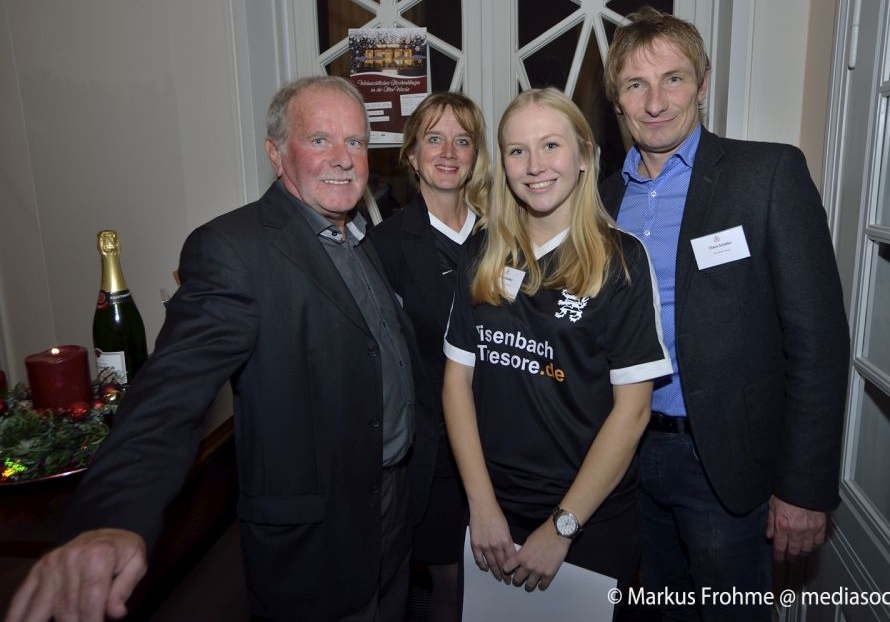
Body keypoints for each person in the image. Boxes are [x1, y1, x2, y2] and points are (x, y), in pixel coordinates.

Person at [5, 75, 425, 622]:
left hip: (391, 504)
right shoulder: (233, 249)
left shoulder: (360, 235)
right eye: (320, 140)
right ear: (276, 153)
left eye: (357, 142)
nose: (344, 159)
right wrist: (110, 518)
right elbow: (168, 393)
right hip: (318, 538)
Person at [598, 6, 851, 620]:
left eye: (673, 79)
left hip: (724, 467)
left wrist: (803, 488)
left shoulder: (766, 175)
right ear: (617, 100)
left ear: (703, 82)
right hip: (623, 457)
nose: (656, 102)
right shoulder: (601, 199)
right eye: (635, 84)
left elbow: (818, 340)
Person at [441, 88, 673, 608]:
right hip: (492, 509)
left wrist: (563, 525)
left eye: (551, 145)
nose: (534, 165)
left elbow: (633, 412)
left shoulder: (622, 260)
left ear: (584, 156)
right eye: (517, 150)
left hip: (588, 517)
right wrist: (481, 506)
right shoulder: (481, 252)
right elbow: (457, 382)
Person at [369, 92, 491, 622]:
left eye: (462, 141)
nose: (448, 152)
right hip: (435, 451)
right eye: (434, 139)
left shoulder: (502, 235)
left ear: (475, 156)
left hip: (507, 446)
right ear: (412, 155)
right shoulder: (385, 247)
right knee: (454, 587)